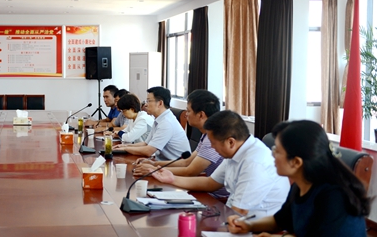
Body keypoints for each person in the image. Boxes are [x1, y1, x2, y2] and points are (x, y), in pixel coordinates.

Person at [227, 120, 370, 237]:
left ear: (296, 162)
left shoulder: (332, 195)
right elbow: (279, 220)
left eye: (277, 150)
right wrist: (248, 225)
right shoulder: (302, 184)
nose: (272, 154)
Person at [154, 110, 289, 216]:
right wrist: (172, 179)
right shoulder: (236, 151)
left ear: (230, 142)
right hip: (232, 215)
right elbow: (210, 183)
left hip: (255, 231)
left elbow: (239, 211)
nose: (212, 147)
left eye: (213, 143)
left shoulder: (254, 163)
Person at [134, 90, 226, 197]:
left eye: (188, 111)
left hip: (215, 198)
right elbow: (186, 162)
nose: (186, 114)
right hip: (205, 191)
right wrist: (153, 164)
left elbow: (190, 171)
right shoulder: (206, 135)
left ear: (201, 115)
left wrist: (154, 170)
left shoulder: (212, 139)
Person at [112, 86, 190, 159]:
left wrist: (125, 149)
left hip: (174, 165)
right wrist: (124, 146)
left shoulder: (166, 123)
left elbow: (148, 151)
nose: (146, 105)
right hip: (161, 162)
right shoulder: (159, 119)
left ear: (160, 103)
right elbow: (146, 144)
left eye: (149, 101)